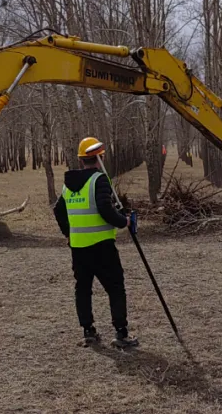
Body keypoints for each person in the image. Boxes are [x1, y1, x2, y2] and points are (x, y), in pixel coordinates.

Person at [53, 137, 139, 349]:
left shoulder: (67, 186)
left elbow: (58, 210)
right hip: (102, 247)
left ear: (82, 160)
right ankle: (121, 334)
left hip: (78, 248)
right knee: (116, 287)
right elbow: (104, 208)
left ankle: (88, 332)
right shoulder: (99, 180)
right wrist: (124, 221)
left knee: (83, 289)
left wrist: (69, 233)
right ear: (99, 158)